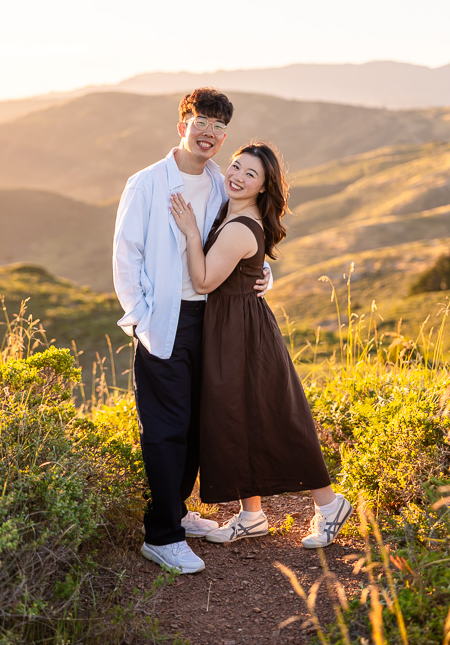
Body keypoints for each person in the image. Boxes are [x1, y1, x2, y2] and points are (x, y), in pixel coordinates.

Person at [113, 88, 270, 575]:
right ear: (183, 124)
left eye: (219, 127)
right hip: (165, 319)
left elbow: (242, 235)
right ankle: (162, 536)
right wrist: (140, 315)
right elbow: (126, 255)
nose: (209, 133)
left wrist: (264, 274)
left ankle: (177, 510)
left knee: (199, 423)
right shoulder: (147, 184)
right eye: (201, 122)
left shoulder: (224, 183)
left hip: (214, 320)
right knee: (166, 428)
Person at [170, 142, 353, 549]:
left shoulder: (239, 225)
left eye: (250, 174)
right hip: (232, 327)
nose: (236, 176)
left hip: (244, 333)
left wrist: (190, 231)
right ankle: (251, 515)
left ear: (264, 187)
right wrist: (263, 268)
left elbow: (204, 281)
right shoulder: (231, 211)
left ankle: (329, 505)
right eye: (235, 166)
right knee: (236, 417)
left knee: (277, 416)